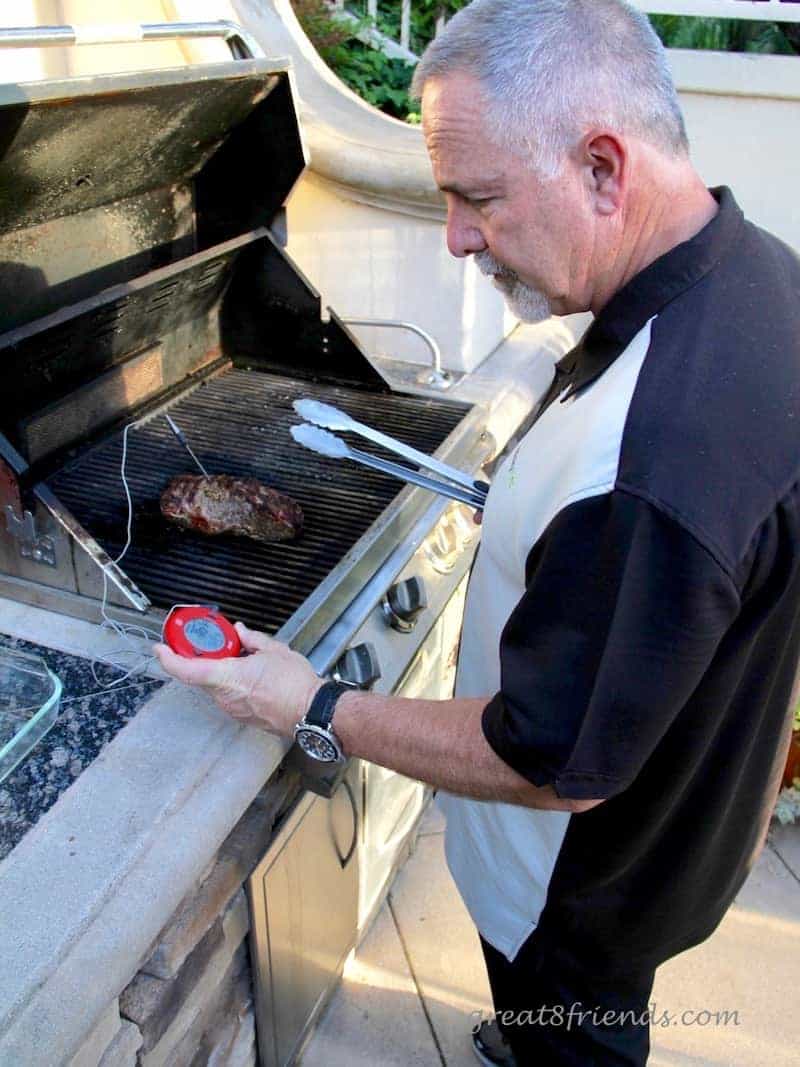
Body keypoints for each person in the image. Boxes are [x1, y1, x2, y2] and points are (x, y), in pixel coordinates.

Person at [155, 1, 800, 1063]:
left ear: (603, 167)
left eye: (476, 197)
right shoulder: (750, 277)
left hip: (581, 890)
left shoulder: (655, 457)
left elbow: (545, 757)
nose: (454, 235)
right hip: (685, 823)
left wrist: (313, 699)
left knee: (568, 1028)